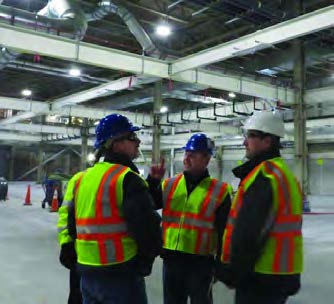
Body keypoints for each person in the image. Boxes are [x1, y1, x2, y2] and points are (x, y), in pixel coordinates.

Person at [57, 113, 162, 304]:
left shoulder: (80, 179)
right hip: (121, 272)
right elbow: (148, 227)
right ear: (115, 143)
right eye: (132, 137)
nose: (137, 142)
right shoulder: (127, 178)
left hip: (86, 272)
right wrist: (144, 263)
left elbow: (68, 220)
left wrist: (68, 247)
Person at [217, 111, 303, 304]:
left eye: (250, 136)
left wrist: (234, 273)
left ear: (267, 141)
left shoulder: (265, 177)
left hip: (260, 276)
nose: (244, 142)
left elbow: (248, 234)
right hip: (282, 274)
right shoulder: (285, 175)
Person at [148, 133, 232, 304]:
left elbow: (225, 231)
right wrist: (152, 181)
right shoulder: (169, 184)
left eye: (193, 154)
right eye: (186, 153)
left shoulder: (220, 191)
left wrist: (221, 264)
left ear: (207, 159)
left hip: (201, 263)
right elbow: (148, 204)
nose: (187, 158)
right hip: (172, 260)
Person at [58, 171, 84, 304]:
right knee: (77, 295)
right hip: (79, 252)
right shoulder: (79, 179)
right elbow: (65, 212)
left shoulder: (126, 176)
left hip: (113, 257)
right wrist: (66, 242)